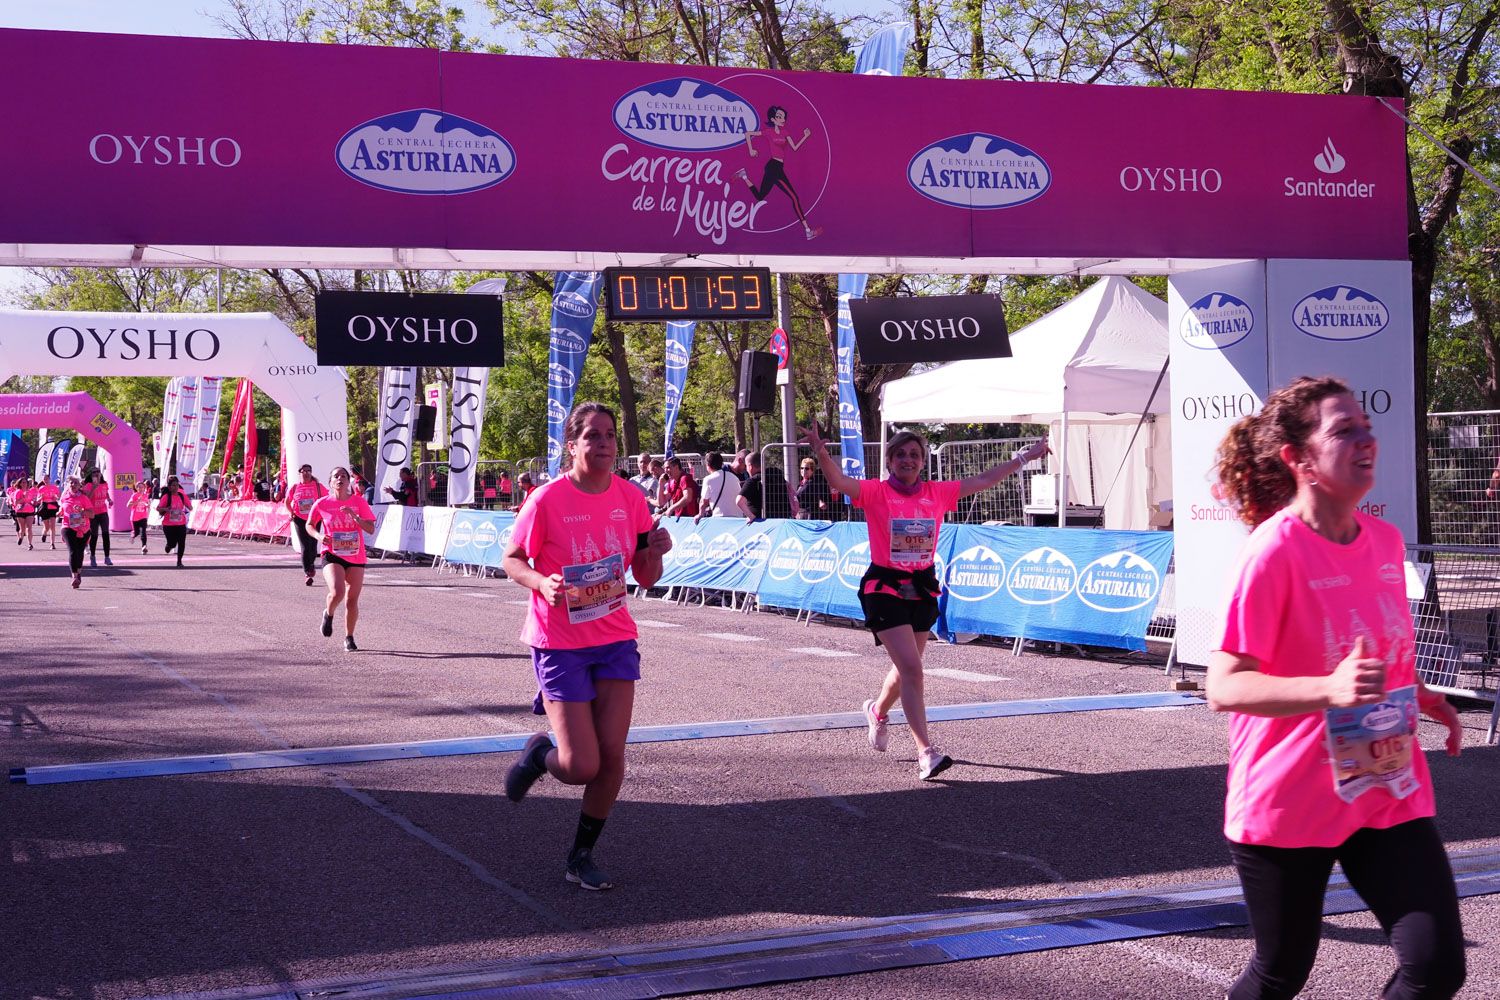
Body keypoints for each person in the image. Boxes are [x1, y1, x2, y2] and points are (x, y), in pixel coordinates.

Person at [1207, 375, 1466, 1000]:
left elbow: (1375, 650)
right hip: (1290, 797)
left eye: (1366, 427)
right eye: (1343, 430)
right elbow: (1225, 686)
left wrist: (1419, 693)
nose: (1365, 439)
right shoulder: (1273, 552)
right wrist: (1330, 689)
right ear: (1299, 459)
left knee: (1435, 968)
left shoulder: (1384, 541)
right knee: (1280, 973)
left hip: (1383, 784)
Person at [801, 421, 1048, 781]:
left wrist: (1025, 456)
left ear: (922, 463)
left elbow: (984, 480)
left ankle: (877, 711)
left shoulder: (938, 492)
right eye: (900, 454)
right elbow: (840, 483)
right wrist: (821, 452)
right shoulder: (875, 492)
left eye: (914, 455)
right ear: (889, 461)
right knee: (914, 670)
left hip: (922, 586)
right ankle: (926, 753)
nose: (908, 459)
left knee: (907, 669)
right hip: (884, 587)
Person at [500, 402, 672, 891]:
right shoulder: (547, 500)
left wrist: (653, 551)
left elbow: (645, 575)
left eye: (610, 436)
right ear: (571, 445)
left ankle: (581, 855)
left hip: (615, 635)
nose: (603, 444)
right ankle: (539, 756)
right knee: (580, 766)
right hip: (560, 641)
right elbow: (512, 559)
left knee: (613, 754)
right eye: (592, 436)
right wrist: (540, 583)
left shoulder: (630, 497)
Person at [306, 467, 377, 652]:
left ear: (349, 481)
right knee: (337, 592)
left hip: (355, 555)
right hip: (332, 553)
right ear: (330, 482)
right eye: (336, 476)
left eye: (344, 476)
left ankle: (349, 637)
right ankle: (328, 614)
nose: (340, 479)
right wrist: (319, 537)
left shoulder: (359, 502)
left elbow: (370, 528)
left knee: (351, 601)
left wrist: (355, 517)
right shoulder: (322, 503)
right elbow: (309, 525)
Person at [734, 105, 821, 240]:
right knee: (794, 198)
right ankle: (808, 230)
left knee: (760, 196)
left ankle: (743, 175)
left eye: (783, 117)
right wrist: (751, 149)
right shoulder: (768, 132)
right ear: (773, 119)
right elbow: (748, 134)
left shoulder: (785, 133)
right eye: (779, 117)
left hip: (776, 167)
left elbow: (795, 147)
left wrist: (805, 136)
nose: (782, 119)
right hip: (774, 167)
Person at [285, 464, 329, 586]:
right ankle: (307, 573)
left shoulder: (318, 487)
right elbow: (287, 502)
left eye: (308, 471)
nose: (306, 473)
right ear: (299, 473)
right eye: (303, 471)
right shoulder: (295, 487)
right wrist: (291, 513)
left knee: (313, 546)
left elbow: (327, 499)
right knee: (304, 546)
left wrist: (324, 513)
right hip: (299, 518)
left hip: (314, 519)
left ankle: (310, 565)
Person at [736, 451, 798, 522]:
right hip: (782, 521)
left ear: (750, 466)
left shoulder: (752, 480)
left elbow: (739, 501)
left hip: (762, 523)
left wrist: (751, 517)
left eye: (746, 466)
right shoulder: (777, 474)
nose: (746, 469)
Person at [58, 476, 93, 588]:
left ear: (79, 486)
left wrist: (83, 511)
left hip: (83, 528)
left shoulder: (84, 498)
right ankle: (74, 576)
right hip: (68, 527)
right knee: (72, 551)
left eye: (76, 483)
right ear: (68, 485)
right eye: (71, 483)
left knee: (79, 552)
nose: (73, 485)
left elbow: (92, 514)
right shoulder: (64, 497)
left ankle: (78, 573)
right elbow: (62, 510)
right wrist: (59, 513)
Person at [156, 476, 193, 567]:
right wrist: (166, 509)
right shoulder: (166, 497)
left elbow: (190, 508)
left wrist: (188, 506)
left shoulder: (182, 496)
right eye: (173, 485)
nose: (175, 487)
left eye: (177, 485)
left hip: (181, 523)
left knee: (181, 542)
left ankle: (179, 561)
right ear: (169, 487)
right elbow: (158, 509)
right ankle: (168, 546)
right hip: (168, 525)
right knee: (172, 543)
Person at [696, 451, 741, 523]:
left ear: (708, 465)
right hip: (738, 518)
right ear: (722, 464)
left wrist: (700, 514)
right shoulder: (734, 477)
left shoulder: (708, 479)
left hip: (720, 518)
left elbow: (703, 502)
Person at [81, 468, 113, 567]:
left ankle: (107, 557)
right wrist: (94, 488)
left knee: (106, 534)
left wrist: (109, 499)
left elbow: (106, 493)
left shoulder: (104, 484)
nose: (96, 474)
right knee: (94, 535)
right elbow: (87, 499)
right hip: (93, 514)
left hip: (103, 512)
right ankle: (93, 557)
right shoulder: (88, 485)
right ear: (91, 475)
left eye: (97, 472)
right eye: (94, 472)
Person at [794, 456, 835, 520]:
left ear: (812, 470)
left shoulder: (814, 482)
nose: (803, 470)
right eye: (802, 468)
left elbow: (818, 494)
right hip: (801, 514)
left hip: (811, 515)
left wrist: (820, 501)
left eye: (807, 468)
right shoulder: (801, 483)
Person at [8, 476, 36, 550]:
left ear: (27, 484)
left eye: (25, 482)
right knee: (22, 529)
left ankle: (30, 544)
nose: (24, 484)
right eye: (22, 482)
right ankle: (21, 537)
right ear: (19, 484)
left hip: (30, 511)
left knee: (29, 528)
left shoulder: (30, 491)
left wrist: (33, 502)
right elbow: (16, 502)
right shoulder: (18, 492)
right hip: (20, 511)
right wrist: (24, 497)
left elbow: (31, 500)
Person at [127, 480, 153, 554]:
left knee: (143, 532)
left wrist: (148, 505)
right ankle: (133, 535)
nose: (141, 488)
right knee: (137, 532)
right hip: (135, 517)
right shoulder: (134, 495)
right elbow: (128, 505)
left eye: (142, 487)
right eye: (139, 487)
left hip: (143, 516)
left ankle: (144, 546)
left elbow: (147, 504)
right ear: (136, 488)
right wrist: (137, 501)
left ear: (144, 488)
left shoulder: (145, 495)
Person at [35, 476, 60, 549]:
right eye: (44, 479)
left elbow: (58, 497)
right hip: (45, 506)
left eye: (47, 479)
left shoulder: (54, 487)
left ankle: (52, 544)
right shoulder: (41, 488)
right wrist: (41, 497)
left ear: (50, 479)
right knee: (47, 526)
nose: (46, 480)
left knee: (52, 526)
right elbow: (38, 500)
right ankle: (44, 533)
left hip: (52, 506)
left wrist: (55, 497)